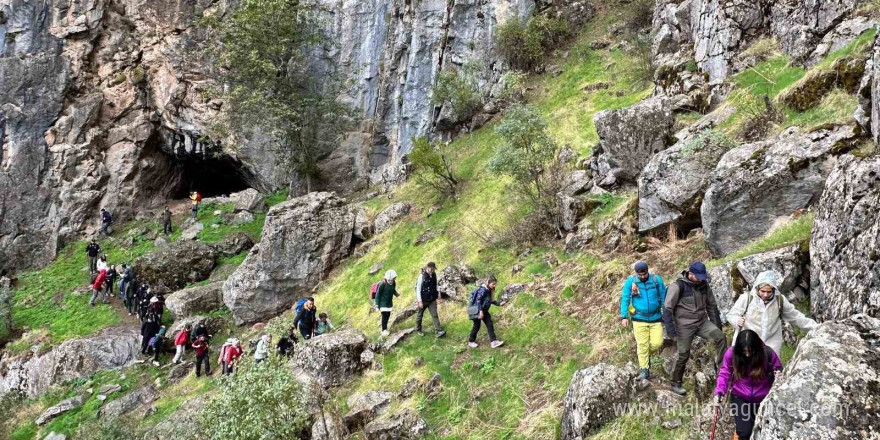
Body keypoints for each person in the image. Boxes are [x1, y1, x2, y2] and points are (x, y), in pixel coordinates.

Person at [663, 262, 727, 396]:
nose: (701, 279)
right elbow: (668, 309)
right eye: (698, 277)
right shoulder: (677, 286)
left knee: (720, 337)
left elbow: (712, 306)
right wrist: (671, 332)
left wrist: (717, 326)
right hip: (684, 326)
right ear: (690, 274)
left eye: (702, 277)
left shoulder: (704, 285)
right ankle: (676, 382)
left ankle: (723, 372)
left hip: (702, 322)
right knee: (683, 354)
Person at [726, 270, 818, 357]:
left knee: (770, 372)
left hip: (771, 348)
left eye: (769, 292)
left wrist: (816, 327)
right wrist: (736, 320)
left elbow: (796, 317)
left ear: (773, 290)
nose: (765, 295)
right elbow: (731, 315)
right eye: (763, 291)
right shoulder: (746, 298)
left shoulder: (779, 301)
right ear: (757, 288)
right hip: (747, 346)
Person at [714, 330, 783, 440]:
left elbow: (778, 368)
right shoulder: (731, 354)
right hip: (740, 397)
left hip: (763, 398)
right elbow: (725, 373)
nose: (747, 354)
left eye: (750, 351)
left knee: (763, 431)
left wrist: (778, 374)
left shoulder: (768, 353)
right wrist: (719, 392)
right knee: (745, 433)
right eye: (744, 351)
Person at [620, 261, 667, 380]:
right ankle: (644, 369)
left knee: (657, 343)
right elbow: (625, 299)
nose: (642, 277)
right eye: (640, 275)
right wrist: (624, 316)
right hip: (638, 318)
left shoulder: (656, 280)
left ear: (648, 271)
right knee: (642, 344)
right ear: (636, 273)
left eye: (644, 274)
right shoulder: (631, 282)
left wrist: (666, 312)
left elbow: (663, 296)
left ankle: (644, 357)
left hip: (655, 317)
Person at [467, 275, 504, 348]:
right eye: (493, 284)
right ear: (488, 283)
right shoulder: (483, 290)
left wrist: (499, 304)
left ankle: (493, 342)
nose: (494, 285)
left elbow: (490, 301)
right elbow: (478, 300)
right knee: (477, 326)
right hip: (478, 311)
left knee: (489, 324)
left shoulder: (489, 290)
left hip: (484, 311)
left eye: (495, 284)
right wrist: (480, 311)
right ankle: (471, 341)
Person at [415, 262, 446, 338]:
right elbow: (417, 289)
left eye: (433, 269)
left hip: (432, 299)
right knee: (420, 315)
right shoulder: (421, 276)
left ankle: (438, 331)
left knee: (434, 315)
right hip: (423, 300)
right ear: (427, 268)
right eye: (431, 269)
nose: (432, 270)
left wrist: (438, 292)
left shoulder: (434, 275)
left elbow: (436, 284)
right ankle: (418, 329)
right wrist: (419, 301)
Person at [374, 270, 400, 337]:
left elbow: (393, 290)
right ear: (390, 276)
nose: (395, 278)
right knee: (384, 316)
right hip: (383, 304)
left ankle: (385, 329)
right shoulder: (383, 283)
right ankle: (383, 330)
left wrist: (397, 294)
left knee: (388, 316)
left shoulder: (393, 282)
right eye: (394, 277)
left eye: (395, 277)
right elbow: (378, 294)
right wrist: (376, 305)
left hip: (389, 303)